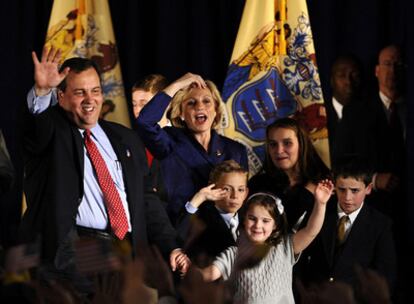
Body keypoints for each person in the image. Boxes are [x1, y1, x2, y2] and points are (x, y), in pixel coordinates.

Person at [20, 46, 188, 293]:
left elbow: (146, 200)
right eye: (79, 92)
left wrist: (171, 245)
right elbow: (37, 127)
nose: (90, 100)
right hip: (75, 253)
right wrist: (42, 92)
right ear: (62, 96)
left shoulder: (126, 138)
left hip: (127, 254)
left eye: (95, 91)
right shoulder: (54, 134)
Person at [197, 180, 334, 304]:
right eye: (252, 218)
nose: (257, 225)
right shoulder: (233, 254)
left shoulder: (285, 247)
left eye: (266, 221)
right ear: (244, 219)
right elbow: (209, 274)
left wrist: (320, 204)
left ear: (275, 225)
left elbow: (311, 231)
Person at [136, 73, 248, 222]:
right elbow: (145, 122)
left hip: (227, 236)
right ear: (181, 114)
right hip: (183, 233)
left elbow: (244, 202)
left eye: (206, 101)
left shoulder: (235, 150)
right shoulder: (170, 141)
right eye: (191, 103)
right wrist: (177, 85)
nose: (200, 106)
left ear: (216, 110)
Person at [299, 156, 397, 294]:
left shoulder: (380, 225)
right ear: (334, 187)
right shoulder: (319, 212)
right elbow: (301, 259)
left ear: (368, 189)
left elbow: (385, 276)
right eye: (342, 189)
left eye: (354, 191)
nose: (347, 198)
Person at [248, 117, 330, 231]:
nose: (279, 150)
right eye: (273, 144)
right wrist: (307, 192)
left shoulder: (326, 184)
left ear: (301, 144)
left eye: (287, 143)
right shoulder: (257, 185)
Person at [176, 160, 249, 266]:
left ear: (246, 193)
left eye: (240, 190)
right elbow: (178, 238)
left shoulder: (250, 221)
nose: (235, 196)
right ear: (212, 188)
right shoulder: (200, 220)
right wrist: (199, 197)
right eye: (226, 189)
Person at [131, 74, 170, 203]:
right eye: (134, 104)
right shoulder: (129, 141)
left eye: (144, 104)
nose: (137, 111)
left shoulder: (181, 138)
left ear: (165, 104)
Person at [326, 54, 364, 164]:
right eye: (341, 75)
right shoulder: (317, 114)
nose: (348, 81)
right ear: (331, 80)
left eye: (355, 75)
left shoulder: (374, 117)